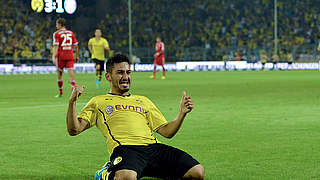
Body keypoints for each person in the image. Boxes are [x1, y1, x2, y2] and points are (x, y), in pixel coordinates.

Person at [67, 53, 205, 180]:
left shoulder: (143, 100)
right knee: (127, 178)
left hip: (153, 148)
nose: (125, 77)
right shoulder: (98, 101)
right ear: (108, 77)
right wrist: (72, 102)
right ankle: (107, 172)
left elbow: (167, 132)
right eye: (120, 73)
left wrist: (182, 113)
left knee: (197, 172)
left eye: (128, 72)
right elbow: (74, 130)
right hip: (126, 149)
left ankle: (143, 169)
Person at [52, 18, 79, 98]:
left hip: (61, 56)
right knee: (71, 74)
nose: (56, 26)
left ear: (60, 24)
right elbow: (76, 45)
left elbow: (56, 46)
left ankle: (60, 92)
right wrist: (77, 55)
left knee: (59, 74)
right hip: (70, 55)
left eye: (57, 24)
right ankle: (74, 93)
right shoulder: (71, 33)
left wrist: (54, 56)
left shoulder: (56, 34)